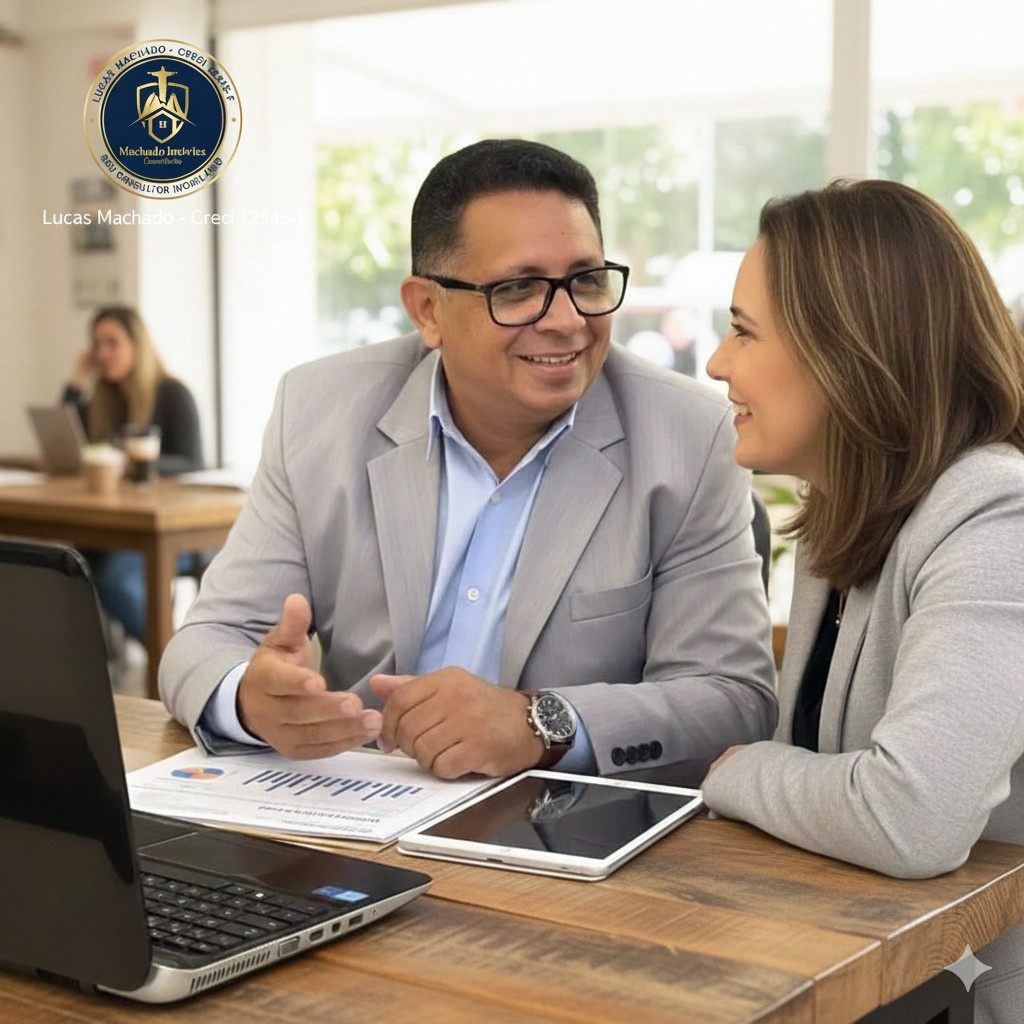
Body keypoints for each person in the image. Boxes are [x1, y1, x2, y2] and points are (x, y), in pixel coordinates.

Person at [160, 138, 776, 781]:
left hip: (566, 817)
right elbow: (206, 640)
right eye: (519, 289)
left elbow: (732, 698)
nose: (567, 320)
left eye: (587, 281)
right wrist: (249, 700)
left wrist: (541, 724)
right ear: (428, 310)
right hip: (359, 802)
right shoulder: (320, 412)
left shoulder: (687, 435)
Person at [701, 179, 1024, 1024]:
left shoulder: (998, 512)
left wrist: (740, 771)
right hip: (860, 968)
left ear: (846, 350)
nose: (717, 363)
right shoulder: (843, 510)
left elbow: (910, 818)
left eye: (743, 331)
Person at [63, 305, 204, 642]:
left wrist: (137, 463)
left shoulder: (173, 394)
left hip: (171, 531)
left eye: (112, 343)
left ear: (137, 345)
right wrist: (76, 384)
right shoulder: (102, 401)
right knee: (66, 570)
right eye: (96, 345)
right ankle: (101, 661)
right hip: (114, 527)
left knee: (113, 578)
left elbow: (193, 463)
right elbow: (66, 441)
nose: (102, 353)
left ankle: (170, 658)